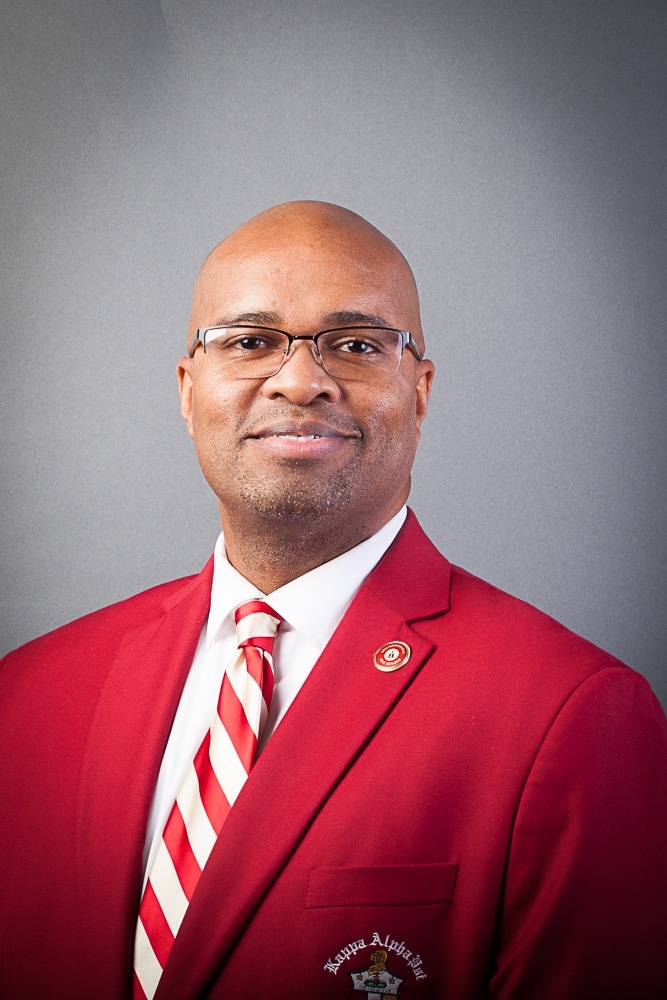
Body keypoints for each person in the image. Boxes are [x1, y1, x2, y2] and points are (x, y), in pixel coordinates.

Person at [1, 201, 666, 1000]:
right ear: (187, 391)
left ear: (419, 393)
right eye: (249, 342)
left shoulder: (570, 713)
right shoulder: (28, 693)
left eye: (354, 345)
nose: (299, 381)